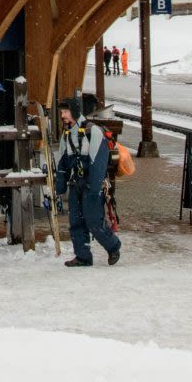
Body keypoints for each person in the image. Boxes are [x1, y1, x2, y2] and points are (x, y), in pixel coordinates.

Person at [54, 103, 121, 267]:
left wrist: (94, 186)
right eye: (62, 112)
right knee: (75, 221)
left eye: (65, 111)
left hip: (91, 183)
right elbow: (62, 164)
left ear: (75, 112)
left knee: (93, 221)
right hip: (75, 183)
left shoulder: (93, 131)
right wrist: (60, 187)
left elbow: (98, 161)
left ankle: (113, 246)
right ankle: (83, 256)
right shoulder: (67, 135)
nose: (62, 115)